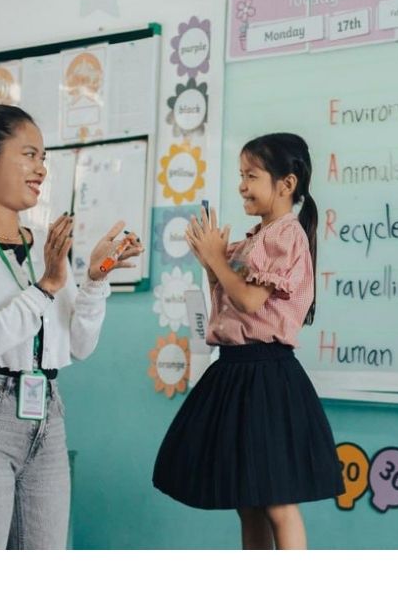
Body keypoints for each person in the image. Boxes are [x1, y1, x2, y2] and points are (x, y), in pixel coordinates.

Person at [0, 101, 142, 549]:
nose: (41, 168)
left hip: (47, 414)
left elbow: (78, 345)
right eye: (29, 154)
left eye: (44, 158)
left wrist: (95, 280)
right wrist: (44, 287)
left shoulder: (44, 243)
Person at [153, 132, 343, 549]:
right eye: (241, 175)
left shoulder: (284, 236)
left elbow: (251, 300)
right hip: (238, 371)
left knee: (277, 500)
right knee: (248, 499)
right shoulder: (255, 238)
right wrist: (211, 262)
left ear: (286, 184)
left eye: (251, 176)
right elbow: (229, 303)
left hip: (267, 374)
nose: (242, 185)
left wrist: (218, 260)